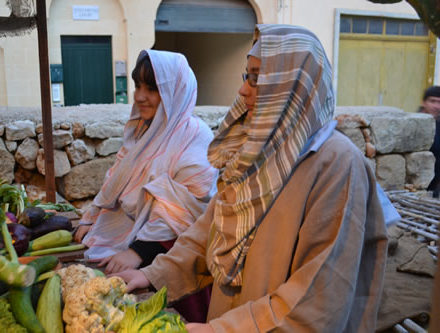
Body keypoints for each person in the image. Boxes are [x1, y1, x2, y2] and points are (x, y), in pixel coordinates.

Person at [115, 24, 389, 332]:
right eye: (247, 76)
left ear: (294, 85)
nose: (243, 89)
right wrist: (153, 275)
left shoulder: (336, 164)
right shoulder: (257, 150)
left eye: (257, 78)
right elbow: (211, 229)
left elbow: (318, 295)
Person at [74, 50, 218, 322]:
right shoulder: (142, 131)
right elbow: (115, 179)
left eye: (152, 88)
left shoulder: (196, 139)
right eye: (138, 85)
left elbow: (187, 209)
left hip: (177, 263)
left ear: (175, 90)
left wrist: (139, 252)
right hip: (136, 250)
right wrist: (92, 215)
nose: (139, 96)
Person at [418, 86, 440, 196]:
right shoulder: (414, 123)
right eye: (432, 101)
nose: (436, 106)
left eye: (439, 102)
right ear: (424, 102)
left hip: (435, 187)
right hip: (417, 185)